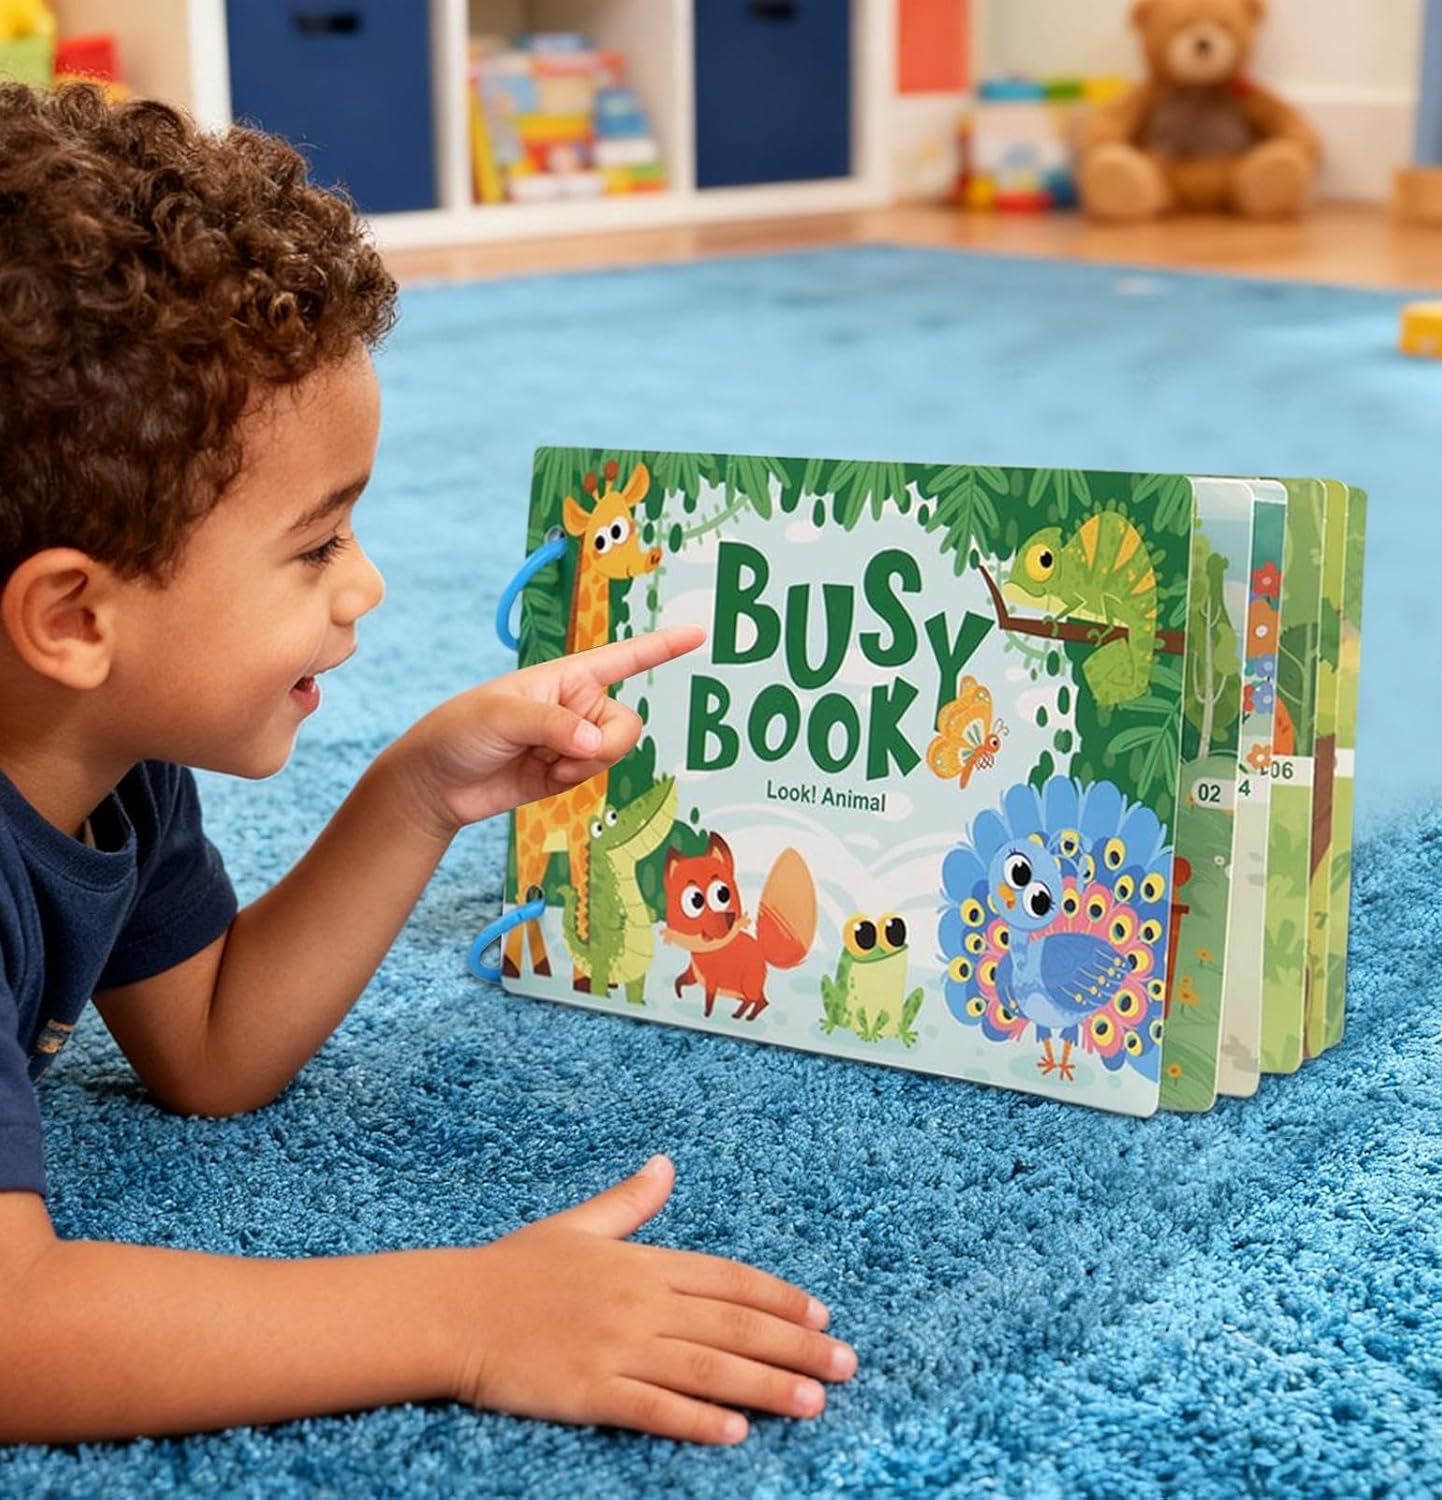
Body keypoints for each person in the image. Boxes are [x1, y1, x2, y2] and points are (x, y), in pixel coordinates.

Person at [0, 84, 856, 1448]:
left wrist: (416, 794)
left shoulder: (108, 759)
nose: (368, 587)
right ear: (74, 619)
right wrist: (469, 1316)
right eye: (315, 546)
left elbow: (212, 1051)